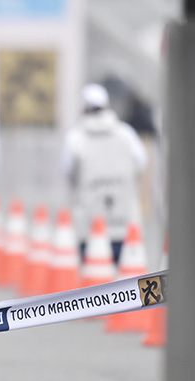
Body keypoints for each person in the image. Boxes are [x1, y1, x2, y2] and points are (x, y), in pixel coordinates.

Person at [60, 83, 148, 264]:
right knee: (125, 286)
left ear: (83, 109)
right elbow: (141, 162)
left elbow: (67, 172)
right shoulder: (126, 134)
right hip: (125, 225)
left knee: (94, 284)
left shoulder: (75, 138)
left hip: (89, 227)